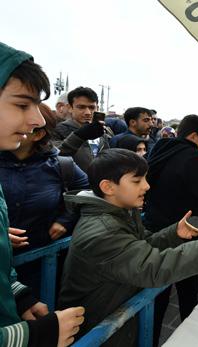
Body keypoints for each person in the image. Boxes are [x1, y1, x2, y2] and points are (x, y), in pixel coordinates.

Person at [58, 149, 198, 346]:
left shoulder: (120, 212)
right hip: (96, 331)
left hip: (110, 317)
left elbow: (142, 247)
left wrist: (175, 233)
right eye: (137, 181)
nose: (147, 186)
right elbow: (152, 267)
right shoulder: (104, 232)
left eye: (145, 179)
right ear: (108, 187)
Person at [0, 40, 84, 347]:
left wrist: (17, 294)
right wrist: (36, 336)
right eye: (22, 105)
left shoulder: (58, 165)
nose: (36, 120)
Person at [143, 114, 198, 344]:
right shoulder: (192, 156)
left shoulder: (160, 148)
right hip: (183, 229)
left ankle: (151, 337)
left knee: (158, 290)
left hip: (155, 224)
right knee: (187, 284)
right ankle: (190, 335)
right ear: (193, 136)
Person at [0, 103, 89, 291]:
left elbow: (85, 190)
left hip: (41, 265)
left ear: (38, 134)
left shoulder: (61, 165)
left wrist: (66, 219)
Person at [53, 86, 112, 172]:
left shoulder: (102, 131)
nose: (88, 112)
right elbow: (55, 156)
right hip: (72, 183)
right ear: (70, 108)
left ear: (97, 108)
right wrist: (79, 136)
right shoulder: (59, 130)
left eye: (92, 107)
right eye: (81, 107)